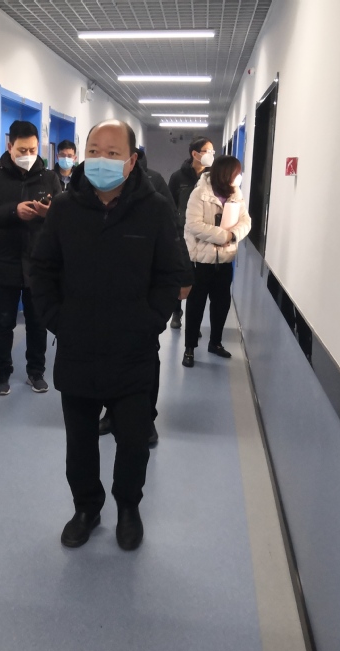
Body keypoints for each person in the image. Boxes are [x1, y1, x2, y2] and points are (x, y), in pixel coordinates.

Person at [30, 120, 186, 551]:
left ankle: (128, 507)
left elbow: (170, 275)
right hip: (77, 348)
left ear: (132, 161)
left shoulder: (155, 209)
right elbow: (42, 269)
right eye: (94, 150)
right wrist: (58, 319)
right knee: (79, 444)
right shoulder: (65, 208)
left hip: (133, 352)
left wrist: (149, 321)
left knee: (133, 442)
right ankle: (86, 508)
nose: (101, 159)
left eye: (113, 153)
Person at [97, 147, 194, 444]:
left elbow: (173, 231)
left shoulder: (154, 185)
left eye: (115, 154)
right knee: (107, 357)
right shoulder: (93, 190)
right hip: (105, 291)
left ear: (132, 160)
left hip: (142, 291)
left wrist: (184, 274)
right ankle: (111, 412)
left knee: (146, 358)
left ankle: (146, 418)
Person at [0, 120, 62, 395]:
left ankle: (36, 372)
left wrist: (48, 213)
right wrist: (14, 211)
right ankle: (2, 373)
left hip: (39, 264)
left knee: (38, 322)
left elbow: (63, 217)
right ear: (9, 146)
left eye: (33, 150)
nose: (28, 155)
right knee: (3, 322)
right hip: (4, 262)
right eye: (22, 150)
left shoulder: (49, 178)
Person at [181, 155, 251, 368]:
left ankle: (215, 343)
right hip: (201, 261)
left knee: (221, 305)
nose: (238, 177)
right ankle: (190, 348)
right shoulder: (199, 193)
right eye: (236, 173)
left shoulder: (235, 194)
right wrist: (223, 236)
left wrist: (234, 235)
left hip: (225, 260)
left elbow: (246, 221)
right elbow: (194, 225)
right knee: (196, 305)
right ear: (226, 173)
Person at [167, 136, 215, 329]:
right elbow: (170, 204)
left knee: (199, 281)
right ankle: (176, 311)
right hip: (182, 233)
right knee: (179, 273)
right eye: (207, 151)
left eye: (212, 151)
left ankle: (193, 324)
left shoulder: (213, 177)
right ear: (195, 154)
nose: (211, 154)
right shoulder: (178, 177)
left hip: (203, 235)